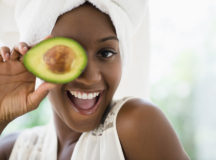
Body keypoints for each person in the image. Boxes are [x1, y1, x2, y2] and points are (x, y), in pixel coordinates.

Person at [0, 1, 190, 160]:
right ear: (37, 63)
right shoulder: (14, 149)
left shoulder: (137, 123)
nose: (90, 76)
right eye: (65, 55)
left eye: (106, 53)